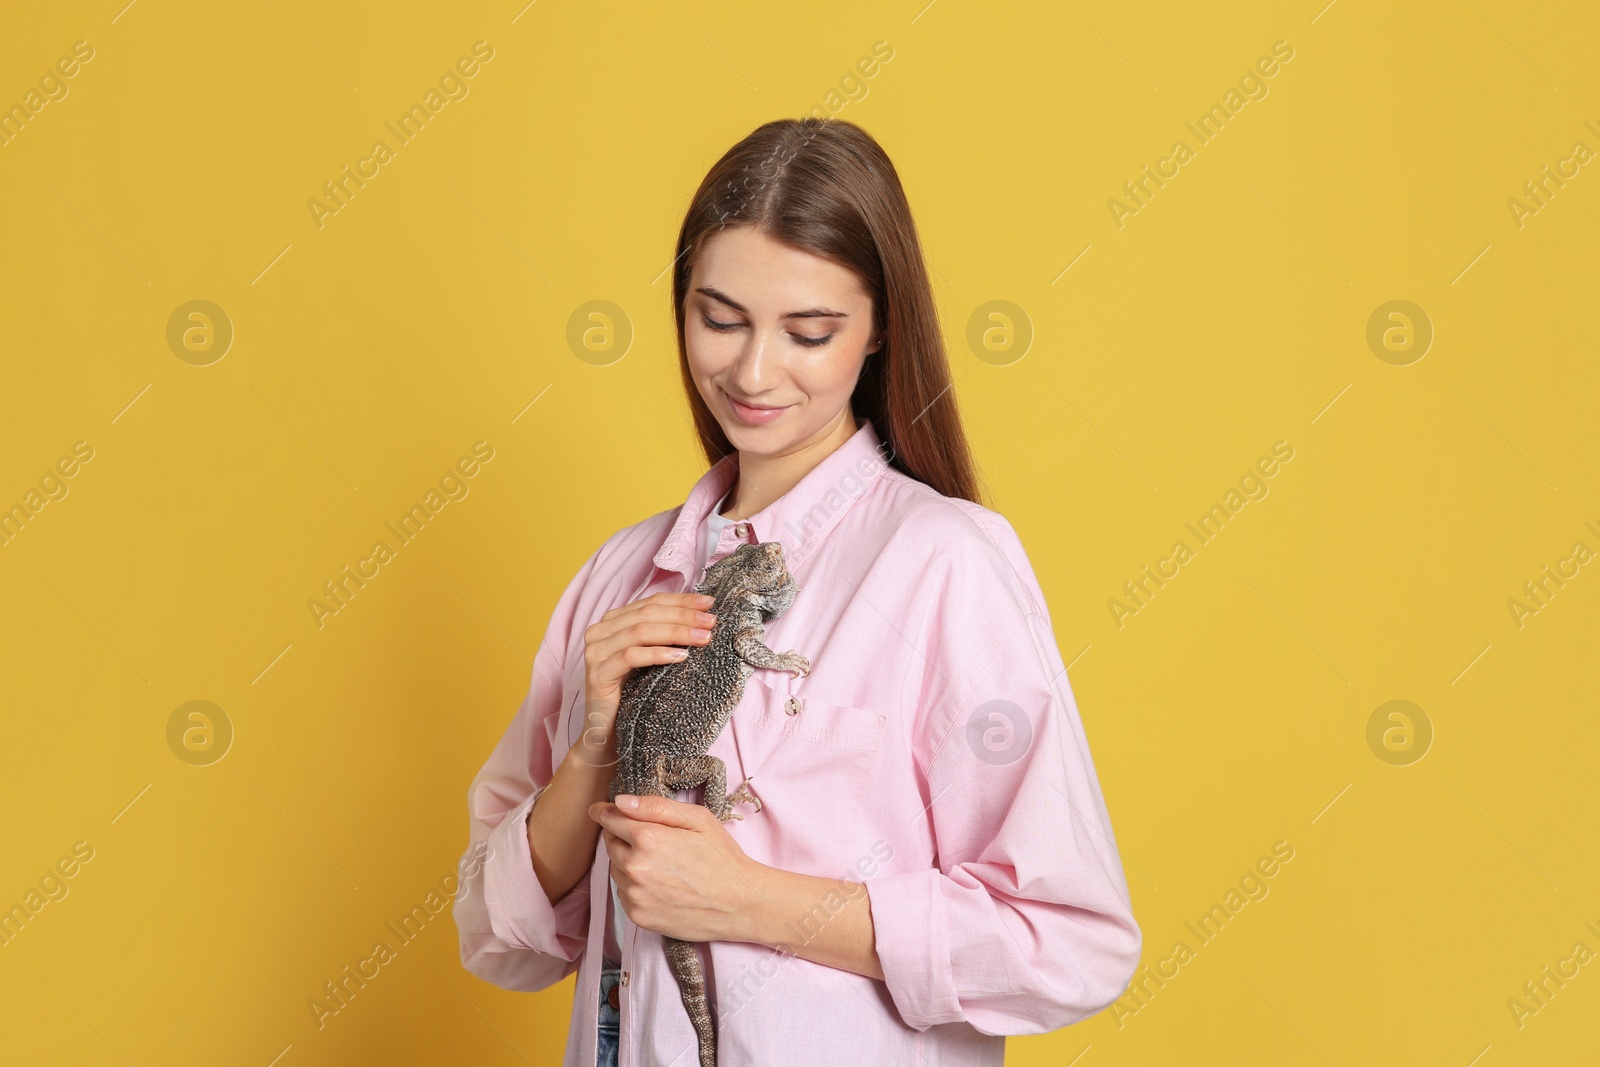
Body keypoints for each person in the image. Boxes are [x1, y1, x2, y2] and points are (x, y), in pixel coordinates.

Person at [453, 116, 1141, 1067]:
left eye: (809, 331)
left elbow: (1067, 942)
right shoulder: (621, 573)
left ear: (878, 329)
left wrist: (753, 900)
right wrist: (593, 750)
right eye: (720, 318)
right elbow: (497, 936)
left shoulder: (943, 563)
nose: (752, 371)